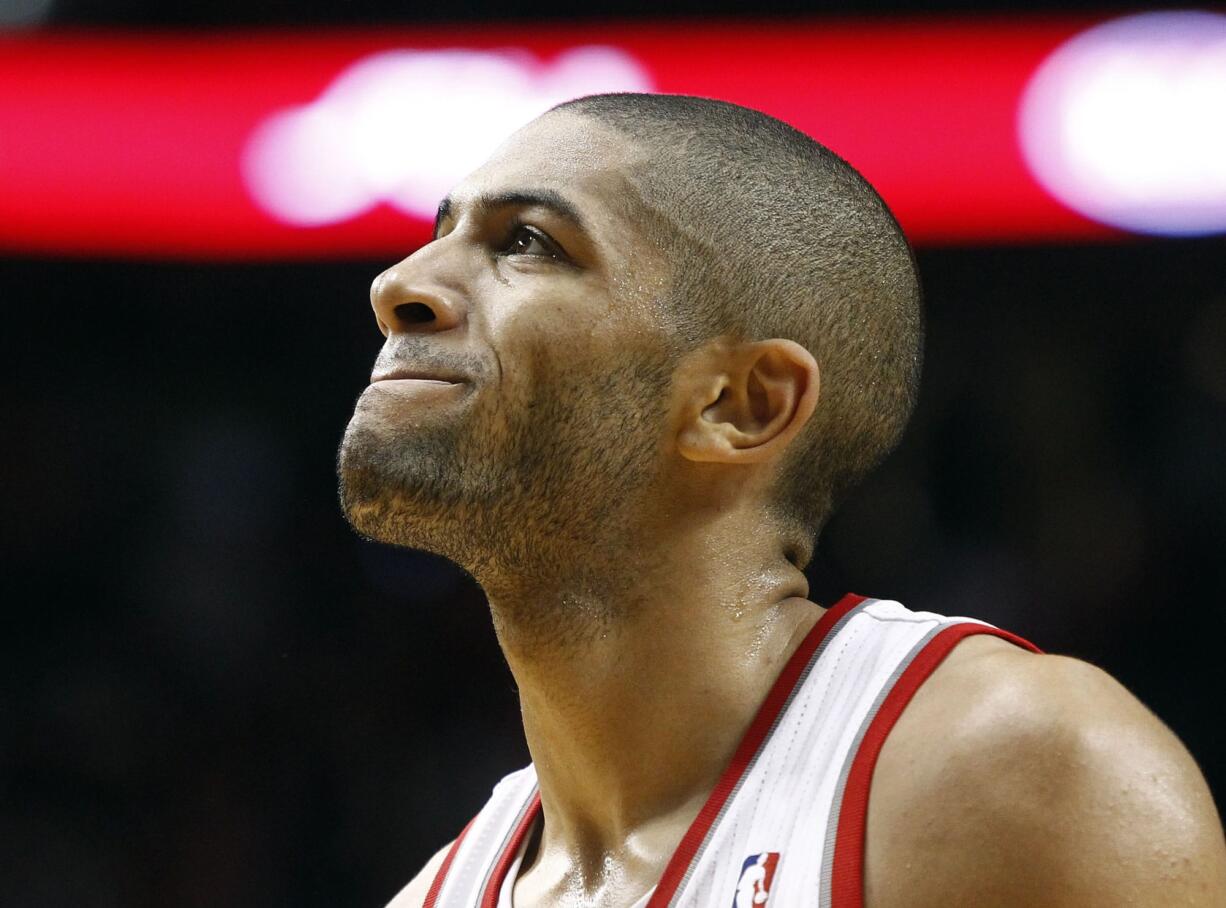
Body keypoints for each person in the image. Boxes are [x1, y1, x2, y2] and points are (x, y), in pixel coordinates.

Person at [337, 94, 1226, 907]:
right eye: (439, 231)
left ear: (742, 405)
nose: (397, 285)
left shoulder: (1018, 776)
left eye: (527, 243)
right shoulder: (438, 893)